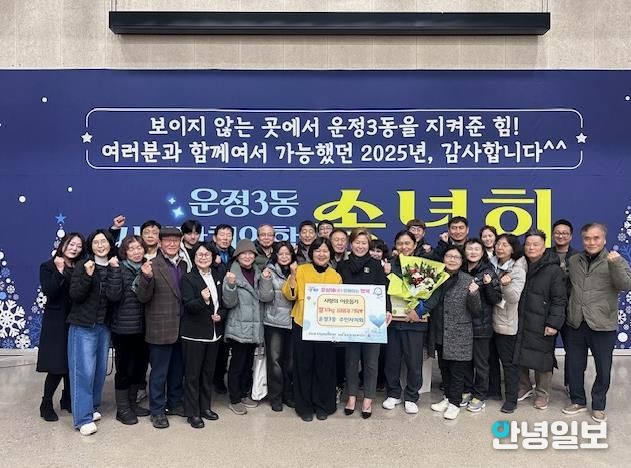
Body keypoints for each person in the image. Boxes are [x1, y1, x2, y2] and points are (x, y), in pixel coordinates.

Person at [563, 223, 631, 422]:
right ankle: (578, 400)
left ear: (604, 239)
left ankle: (599, 404)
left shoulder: (615, 260)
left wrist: (615, 264)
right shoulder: (574, 260)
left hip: (602, 324)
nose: (591, 242)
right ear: (582, 239)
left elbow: (626, 285)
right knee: (574, 365)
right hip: (576, 321)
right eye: (587, 238)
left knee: (603, 367)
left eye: (596, 238)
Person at [282, 237, 342, 421]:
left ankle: (323, 405)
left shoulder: (335, 276)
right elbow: (289, 294)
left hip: (325, 327)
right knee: (303, 365)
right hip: (302, 324)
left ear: (330, 254)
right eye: (317, 250)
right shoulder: (301, 270)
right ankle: (304, 407)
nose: (321, 254)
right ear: (311, 253)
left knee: (324, 366)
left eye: (325, 251)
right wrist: (293, 275)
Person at [337, 228, 391, 419]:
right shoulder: (342, 265)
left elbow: (383, 289)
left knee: (371, 362)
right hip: (350, 321)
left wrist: (387, 309)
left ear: (369, 246)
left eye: (364, 243)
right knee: (351, 361)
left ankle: (368, 399)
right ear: (351, 244)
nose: (360, 246)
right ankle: (351, 397)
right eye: (357, 242)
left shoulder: (376, 265)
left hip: (372, 320)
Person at [136, 227, 186, 429]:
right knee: (159, 373)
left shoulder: (184, 264)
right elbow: (143, 297)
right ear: (160, 243)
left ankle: (174, 403)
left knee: (177, 370)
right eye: (168, 240)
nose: (172, 244)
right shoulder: (151, 265)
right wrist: (146, 278)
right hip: (160, 327)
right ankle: (157, 410)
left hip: (181, 327)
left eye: (176, 240)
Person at [67, 229, 116, 436]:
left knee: (98, 371)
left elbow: (115, 296)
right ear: (91, 246)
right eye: (96, 242)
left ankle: (92, 407)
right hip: (83, 325)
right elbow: (75, 295)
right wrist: (87, 275)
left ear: (110, 244)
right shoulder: (84, 265)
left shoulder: (114, 265)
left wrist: (114, 271)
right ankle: (82, 418)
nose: (100, 245)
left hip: (103, 326)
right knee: (83, 372)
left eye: (104, 241)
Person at [514, 230, 567, 410]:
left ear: (544, 247)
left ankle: (543, 394)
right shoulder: (520, 265)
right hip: (521, 318)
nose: (531, 247)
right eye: (528, 244)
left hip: (542, 320)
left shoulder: (553, 270)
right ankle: (524, 387)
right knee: (519, 353)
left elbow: (559, 299)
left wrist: (553, 323)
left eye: (536, 244)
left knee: (543, 358)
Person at [428, 245, 482, 420]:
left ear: (461, 261)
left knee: (457, 371)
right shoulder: (435, 277)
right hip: (439, 330)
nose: (452, 260)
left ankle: (455, 403)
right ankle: (447, 398)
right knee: (444, 368)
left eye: (456, 257)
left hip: (459, 332)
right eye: (449, 256)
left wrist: (474, 295)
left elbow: (477, 311)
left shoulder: (468, 280)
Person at [36, 232, 85, 422]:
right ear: (63, 244)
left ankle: (68, 399)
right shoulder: (48, 266)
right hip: (56, 322)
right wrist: (59, 270)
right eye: (71, 244)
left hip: (76, 319)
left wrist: (114, 229)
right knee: (58, 364)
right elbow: (50, 291)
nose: (74, 248)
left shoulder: (80, 266)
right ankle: (46, 403)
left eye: (78, 246)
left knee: (73, 363)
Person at [222, 239, 274, 415]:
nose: (247, 256)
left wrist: (266, 280)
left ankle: (244, 393)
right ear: (237, 256)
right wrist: (230, 285)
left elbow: (265, 298)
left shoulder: (258, 272)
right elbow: (229, 303)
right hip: (238, 327)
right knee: (237, 364)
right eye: (243, 253)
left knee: (248, 364)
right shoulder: (232, 274)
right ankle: (234, 399)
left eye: (250, 254)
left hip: (254, 327)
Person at [382, 230, 428, 415]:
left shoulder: (422, 266)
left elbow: (430, 293)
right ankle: (393, 394)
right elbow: (381, 292)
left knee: (414, 363)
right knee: (391, 361)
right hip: (393, 322)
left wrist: (419, 311)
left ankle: (411, 396)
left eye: (407, 243)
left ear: (415, 245)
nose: (404, 247)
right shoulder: (388, 265)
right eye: (400, 243)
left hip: (414, 322)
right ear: (395, 245)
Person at [181, 242, 226, 428]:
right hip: (194, 335)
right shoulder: (188, 278)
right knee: (193, 375)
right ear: (194, 257)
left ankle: (205, 407)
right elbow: (189, 306)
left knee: (208, 373)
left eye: (207, 254)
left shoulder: (217, 275)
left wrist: (221, 315)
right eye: (199, 254)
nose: (203, 257)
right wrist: (203, 299)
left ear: (213, 257)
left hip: (213, 334)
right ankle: (192, 412)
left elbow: (223, 303)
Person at [107, 235, 151, 425]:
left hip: (144, 327)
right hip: (123, 328)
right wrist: (115, 272)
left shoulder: (147, 267)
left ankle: (133, 403)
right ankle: (122, 409)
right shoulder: (119, 268)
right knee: (125, 369)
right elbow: (113, 295)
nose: (136, 252)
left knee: (139, 368)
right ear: (125, 251)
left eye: (139, 247)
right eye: (131, 248)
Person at [460, 239, 502, 413]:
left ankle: (480, 395)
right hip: (463, 324)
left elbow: (496, 299)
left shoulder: (488, 271)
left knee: (481, 363)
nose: (473, 252)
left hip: (481, 326)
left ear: (483, 252)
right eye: (469, 249)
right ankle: (467, 390)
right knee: (465, 361)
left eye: (477, 249)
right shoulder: (460, 269)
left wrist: (487, 285)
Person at [488, 234, 527, 413]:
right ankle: (494, 391)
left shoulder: (517, 269)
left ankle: (511, 399)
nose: (500, 247)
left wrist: (506, 285)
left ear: (513, 248)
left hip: (506, 322)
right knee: (491, 360)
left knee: (509, 363)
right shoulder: (490, 265)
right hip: (488, 320)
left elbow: (513, 298)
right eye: (498, 244)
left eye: (504, 245)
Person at [263, 241, 296, 412]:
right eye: (280, 254)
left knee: (290, 362)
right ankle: (275, 397)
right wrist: (265, 280)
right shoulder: (269, 271)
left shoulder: (298, 271)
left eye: (287, 254)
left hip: (293, 322)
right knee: (274, 361)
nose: (284, 257)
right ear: (275, 255)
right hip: (273, 322)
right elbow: (265, 297)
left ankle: (288, 395)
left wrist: (294, 275)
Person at [549, 218, 579, 395]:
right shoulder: (545, 254)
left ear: (571, 236)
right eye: (558, 233)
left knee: (572, 350)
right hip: (549, 310)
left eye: (565, 233)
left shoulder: (578, 257)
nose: (561, 236)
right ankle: (544, 384)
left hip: (571, 310)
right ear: (553, 234)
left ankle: (570, 383)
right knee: (546, 349)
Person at [210, 223, 235, 394]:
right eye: (222, 235)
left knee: (224, 347)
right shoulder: (207, 253)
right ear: (215, 237)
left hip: (229, 306)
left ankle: (219, 378)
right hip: (211, 305)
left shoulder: (235, 254)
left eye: (228, 235)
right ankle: (207, 378)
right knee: (211, 346)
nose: (225, 238)